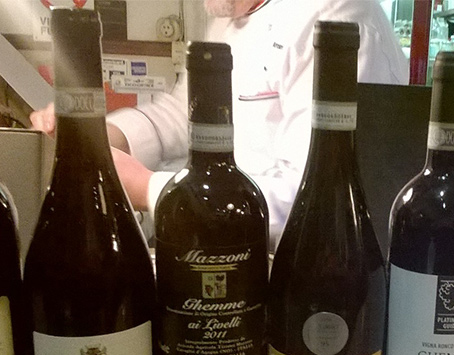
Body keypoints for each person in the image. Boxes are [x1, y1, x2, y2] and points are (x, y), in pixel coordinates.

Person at [31, 0, 408, 245]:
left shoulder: (338, 19)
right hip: (226, 239)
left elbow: (315, 201)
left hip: (298, 270)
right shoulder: (229, 14)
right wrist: (105, 134)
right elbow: (185, 113)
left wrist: (149, 188)